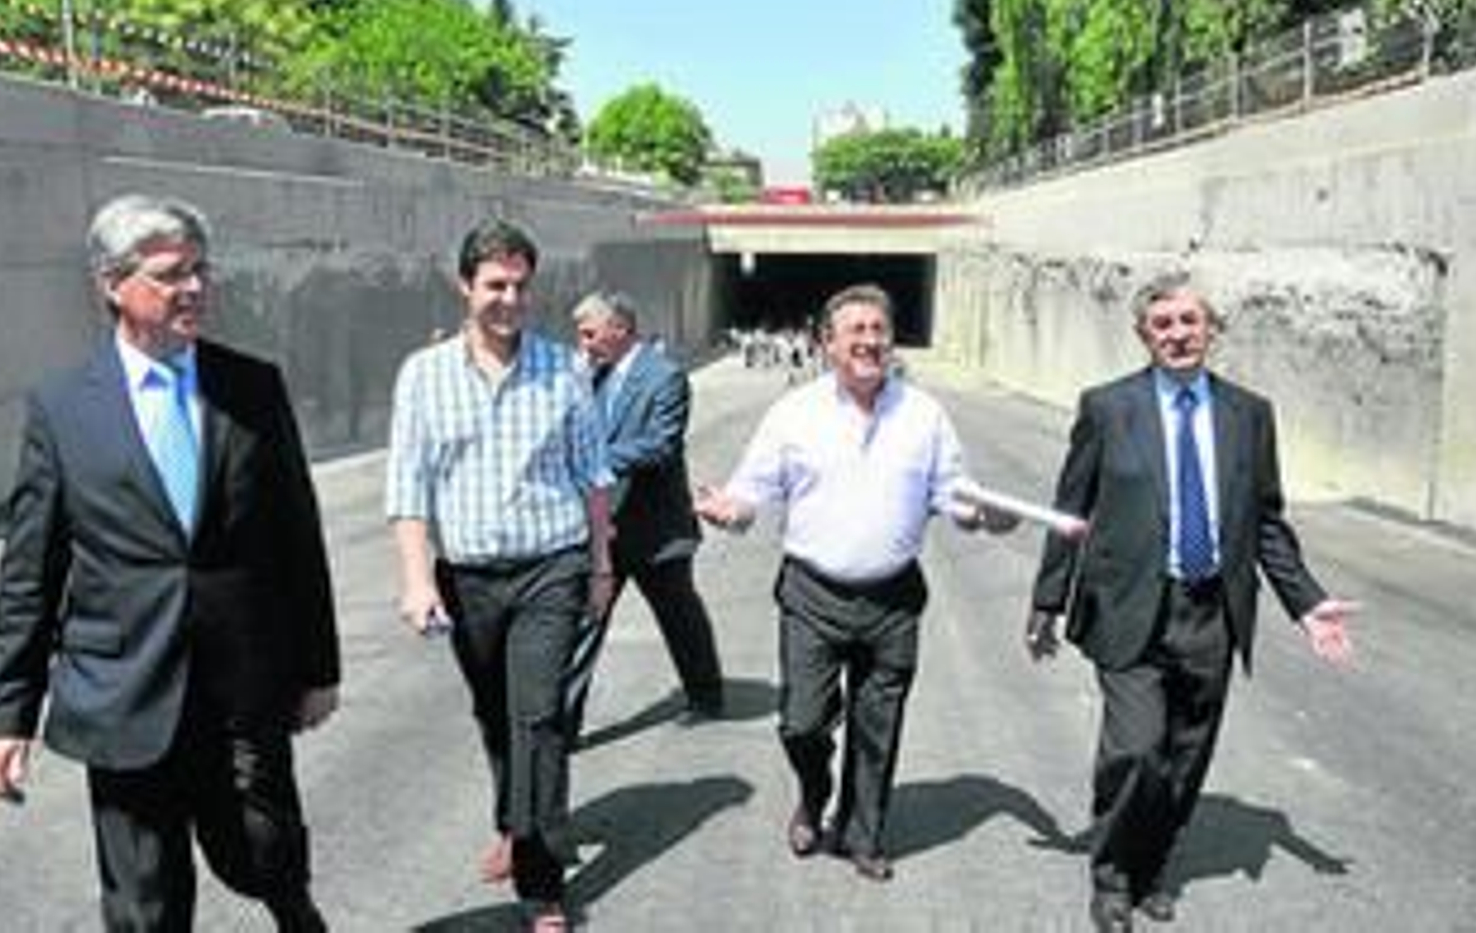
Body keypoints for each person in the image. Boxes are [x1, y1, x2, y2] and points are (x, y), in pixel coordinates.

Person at [0, 194, 340, 931]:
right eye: (173, 274)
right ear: (113, 284)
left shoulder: (252, 388)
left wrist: (318, 668)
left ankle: (295, 911)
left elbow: (296, 538)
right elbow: (30, 572)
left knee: (264, 855)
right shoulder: (62, 408)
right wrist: (6, 716)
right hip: (121, 692)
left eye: (201, 270)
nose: (196, 288)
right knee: (145, 904)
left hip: (241, 684)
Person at [1026, 273, 1356, 933]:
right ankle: (1113, 876)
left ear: (1212, 328)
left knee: (1184, 754)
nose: (1178, 334)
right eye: (1163, 324)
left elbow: (1264, 520)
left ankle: (1153, 865)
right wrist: (1047, 600)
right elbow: (1071, 509)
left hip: (1212, 611)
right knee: (1136, 750)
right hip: (1128, 605)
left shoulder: (1249, 414)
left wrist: (1307, 603)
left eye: (1189, 321)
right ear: (1144, 336)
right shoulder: (1107, 407)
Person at [694, 283, 1042, 882]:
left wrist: (984, 513)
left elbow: (954, 493)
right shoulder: (793, 413)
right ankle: (813, 790)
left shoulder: (923, 413)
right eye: (853, 330)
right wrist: (732, 509)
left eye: (878, 329)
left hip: (893, 598)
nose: (868, 340)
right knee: (802, 723)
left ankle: (863, 834)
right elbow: (752, 490)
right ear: (826, 343)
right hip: (812, 594)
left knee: (878, 726)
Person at [385, 218, 613, 932]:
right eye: (495, 285)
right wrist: (418, 579)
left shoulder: (563, 369)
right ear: (465, 287)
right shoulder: (423, 375)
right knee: (496, 716)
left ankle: (541, 879)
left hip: (552, 565)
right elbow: (408, 486)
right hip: (468, 579)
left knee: (539, 717)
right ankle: (515, 821)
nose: (509, 298)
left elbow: (593, 473)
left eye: (520, 285)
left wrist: (601, 564)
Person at [564, 291, 724, 741]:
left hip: (657, 532)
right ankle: (564, 723)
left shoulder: (665, 376)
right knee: (586, 621)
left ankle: (705, 693)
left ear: (620, 327)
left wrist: (593, 457)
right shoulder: (591, 375)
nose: (583, 343)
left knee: (680, 618)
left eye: (590, 333)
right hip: (605, 530)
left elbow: (660, 443)